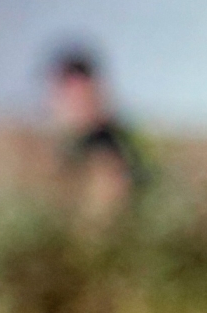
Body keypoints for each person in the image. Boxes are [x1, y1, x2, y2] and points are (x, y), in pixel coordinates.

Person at [47, 46, 156, 224]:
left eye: (77, 97)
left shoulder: (105, 148)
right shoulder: (71, 146)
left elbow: (102, 223)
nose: (68, 106)